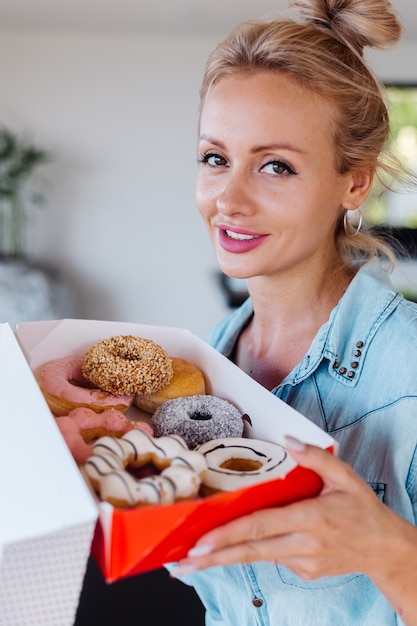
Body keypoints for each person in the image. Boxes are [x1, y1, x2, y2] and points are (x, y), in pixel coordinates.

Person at [169, 0, 417, 624]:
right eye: (215, 158)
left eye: (275, 166)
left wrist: (392, 554)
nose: (228, 197)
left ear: (354, 183)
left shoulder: (409, 373)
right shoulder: (203, 362)